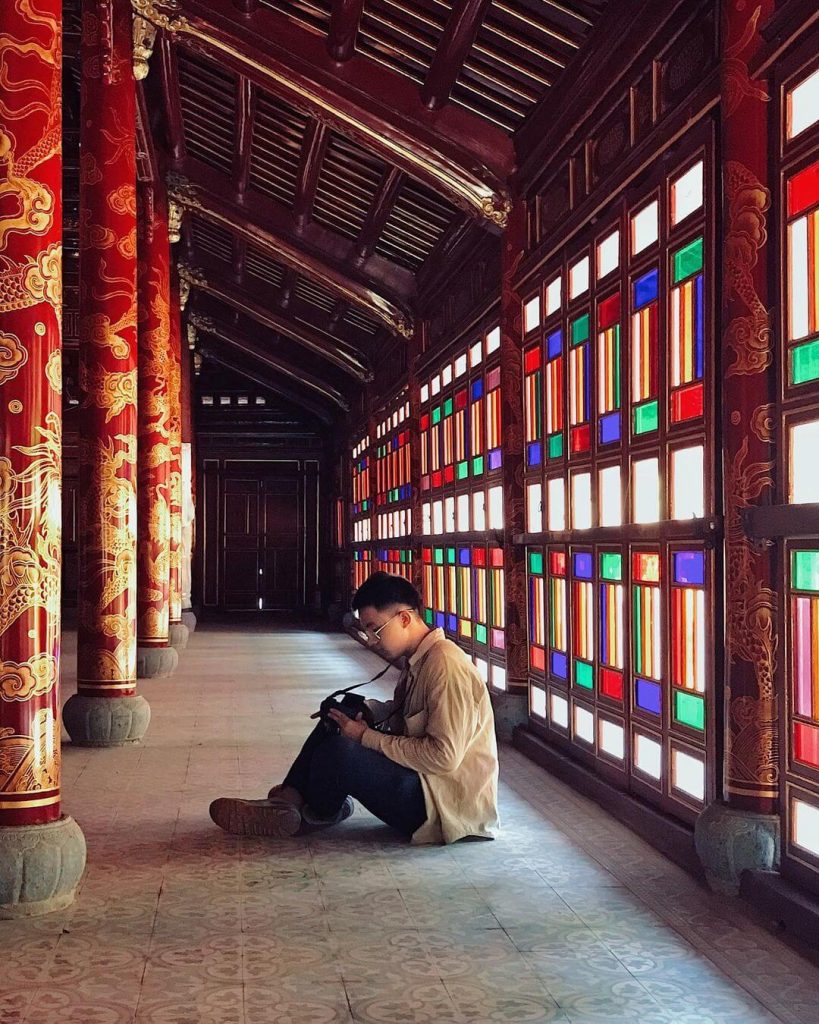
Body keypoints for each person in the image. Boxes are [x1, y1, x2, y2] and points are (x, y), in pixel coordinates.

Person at [209, 572, 499, 844]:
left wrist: (364, 737)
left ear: (405, 619)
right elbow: (408, 712)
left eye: (375, 630)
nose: (372, 640)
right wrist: (370, 712)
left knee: (341, 751)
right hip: (423, 784)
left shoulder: (445, 666)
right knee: (342, 712)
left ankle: (314, 813)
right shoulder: (420, 659)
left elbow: (443, 757)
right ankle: (290, 800)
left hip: (444, 806)